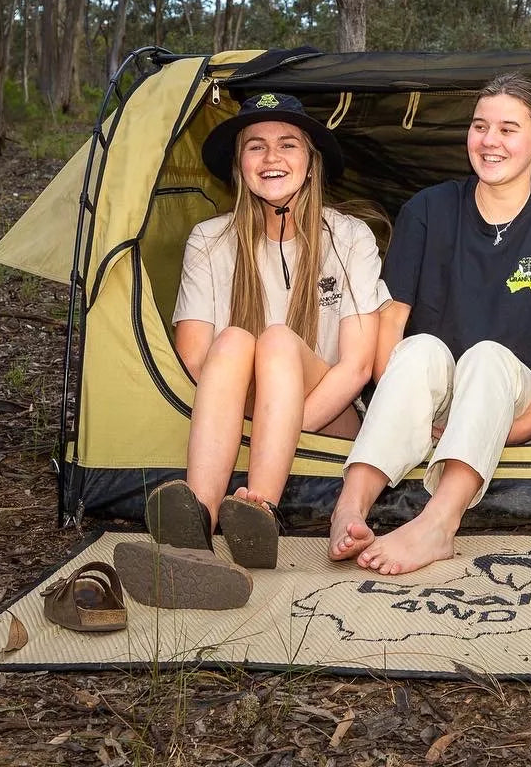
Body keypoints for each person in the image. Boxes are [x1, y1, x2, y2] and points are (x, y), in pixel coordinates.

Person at [328, 72, 531, 575]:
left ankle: (438, 524)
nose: (490, 141)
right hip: (440, 406)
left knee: (488, 356)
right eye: (480, 126)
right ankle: (350, 506)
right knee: (422, 348)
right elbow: (393, 324)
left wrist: (526, 423)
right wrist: (409, 412)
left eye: (508, 129)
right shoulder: (427, 209)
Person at [146, 92, 385, 569]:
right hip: (245, 407)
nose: (272, 157)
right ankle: (198, 532)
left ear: (312, 163)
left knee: (276, 339)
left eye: (288, 145)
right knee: (233, 340)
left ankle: (258, 512)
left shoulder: (349, 236)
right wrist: (261, 426)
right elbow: (194, 357)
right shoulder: (210, 240)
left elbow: (357, 367)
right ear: (239, 165)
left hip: (328, 412)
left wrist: (275, 431)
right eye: (255, 146)